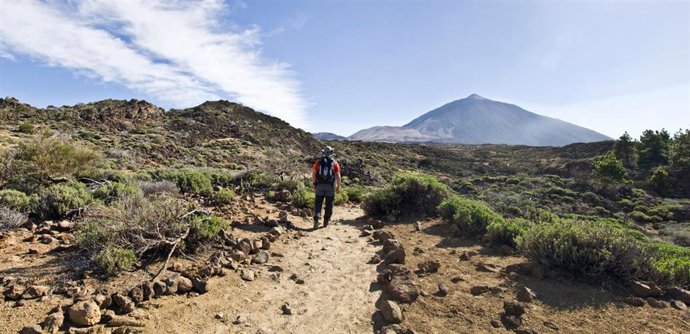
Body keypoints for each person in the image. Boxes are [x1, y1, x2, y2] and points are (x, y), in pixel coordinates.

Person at [311, 146, 341, 229]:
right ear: (331, 153)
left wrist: (314, 183)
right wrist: (338, 186)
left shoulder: (318, 162)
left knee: (318, 203)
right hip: (330, 187)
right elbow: (338, 176)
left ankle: (317, 218)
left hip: (319, 185)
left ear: (323, 152)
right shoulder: (334, 162)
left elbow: (313, 174)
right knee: (329, 204)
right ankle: (326, 221)